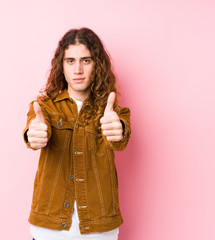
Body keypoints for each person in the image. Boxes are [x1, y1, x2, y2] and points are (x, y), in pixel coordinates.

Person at [23, 27, 131, 240]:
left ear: (96, 65)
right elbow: (32, 132)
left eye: (86, 60)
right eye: (70, 61)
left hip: (99, 231)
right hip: (49, 231)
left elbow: (120, 138)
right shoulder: (44, 108)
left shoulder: (113, 112)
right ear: (61, 66)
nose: (78, 69)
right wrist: (33, 135)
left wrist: (118, 129)